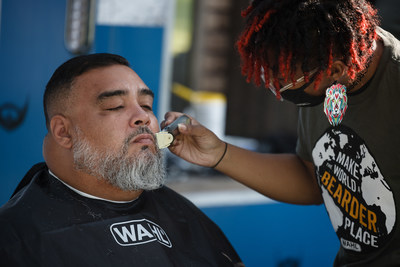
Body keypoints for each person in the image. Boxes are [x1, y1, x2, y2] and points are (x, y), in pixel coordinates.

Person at [162, 0, 400, 266]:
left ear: (335, 70)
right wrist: (218, 153)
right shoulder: (325, 59)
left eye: (285, 79)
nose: (277, 88)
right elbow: (313, 181)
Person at [0, 53, 243, 267]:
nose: (143, 117)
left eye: (147, 105)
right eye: (116, 106)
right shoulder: (16, 241)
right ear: (64, 132)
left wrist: (220, 153)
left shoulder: (184, 215)